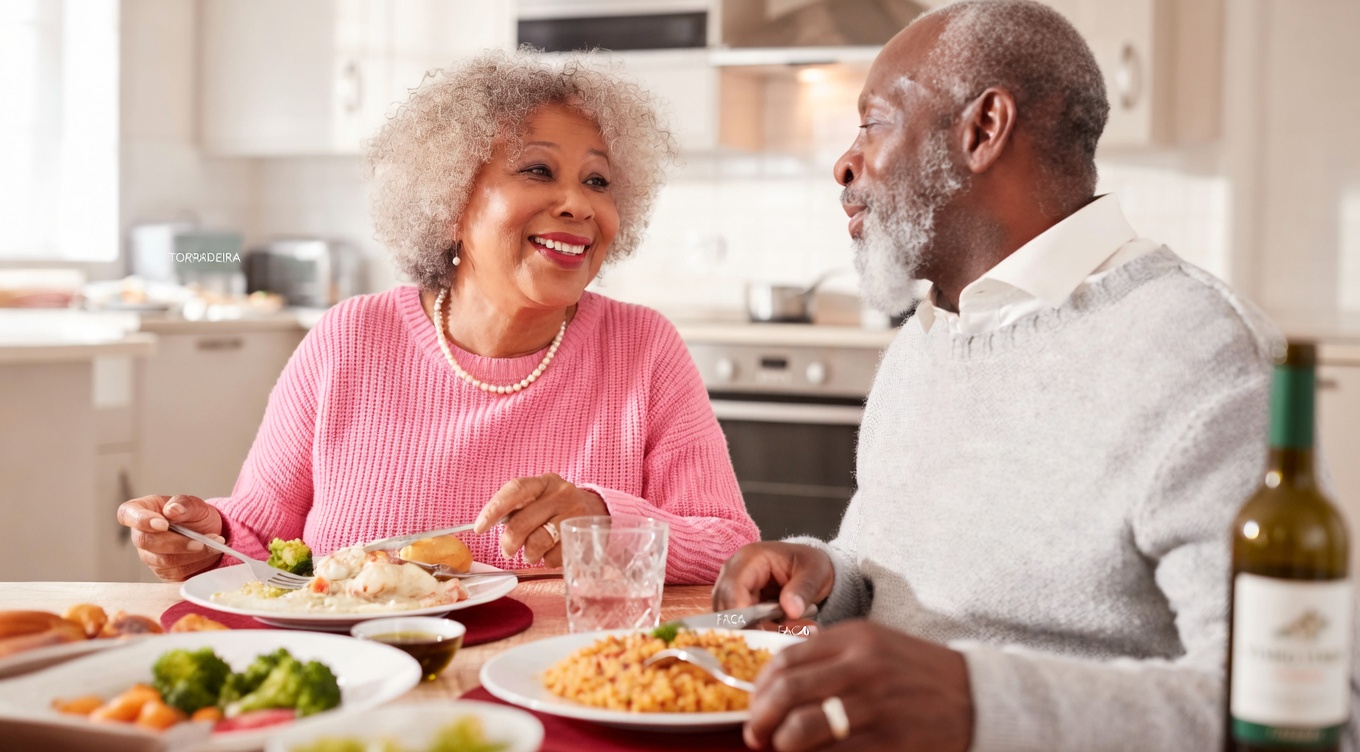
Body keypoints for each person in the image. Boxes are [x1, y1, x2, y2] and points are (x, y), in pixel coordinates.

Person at [712, 2, 1358, 750]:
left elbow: (1303, 718)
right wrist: (826, 576)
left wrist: (977, 703)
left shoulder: (1204, 355)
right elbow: (900, 577)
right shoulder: (930, 336)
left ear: (983, 129)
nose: (845, 163)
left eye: (875, 122)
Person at [117, 49, 759, 584]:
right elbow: (260, 532)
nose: (578, 204)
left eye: (599, 182)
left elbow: (731, 544)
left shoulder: (643, 348)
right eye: (537, 170)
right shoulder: (349, 339)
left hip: (562, 681)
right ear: (452, 202)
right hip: (366, 684)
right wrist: (207, 539)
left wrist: (604, 524)